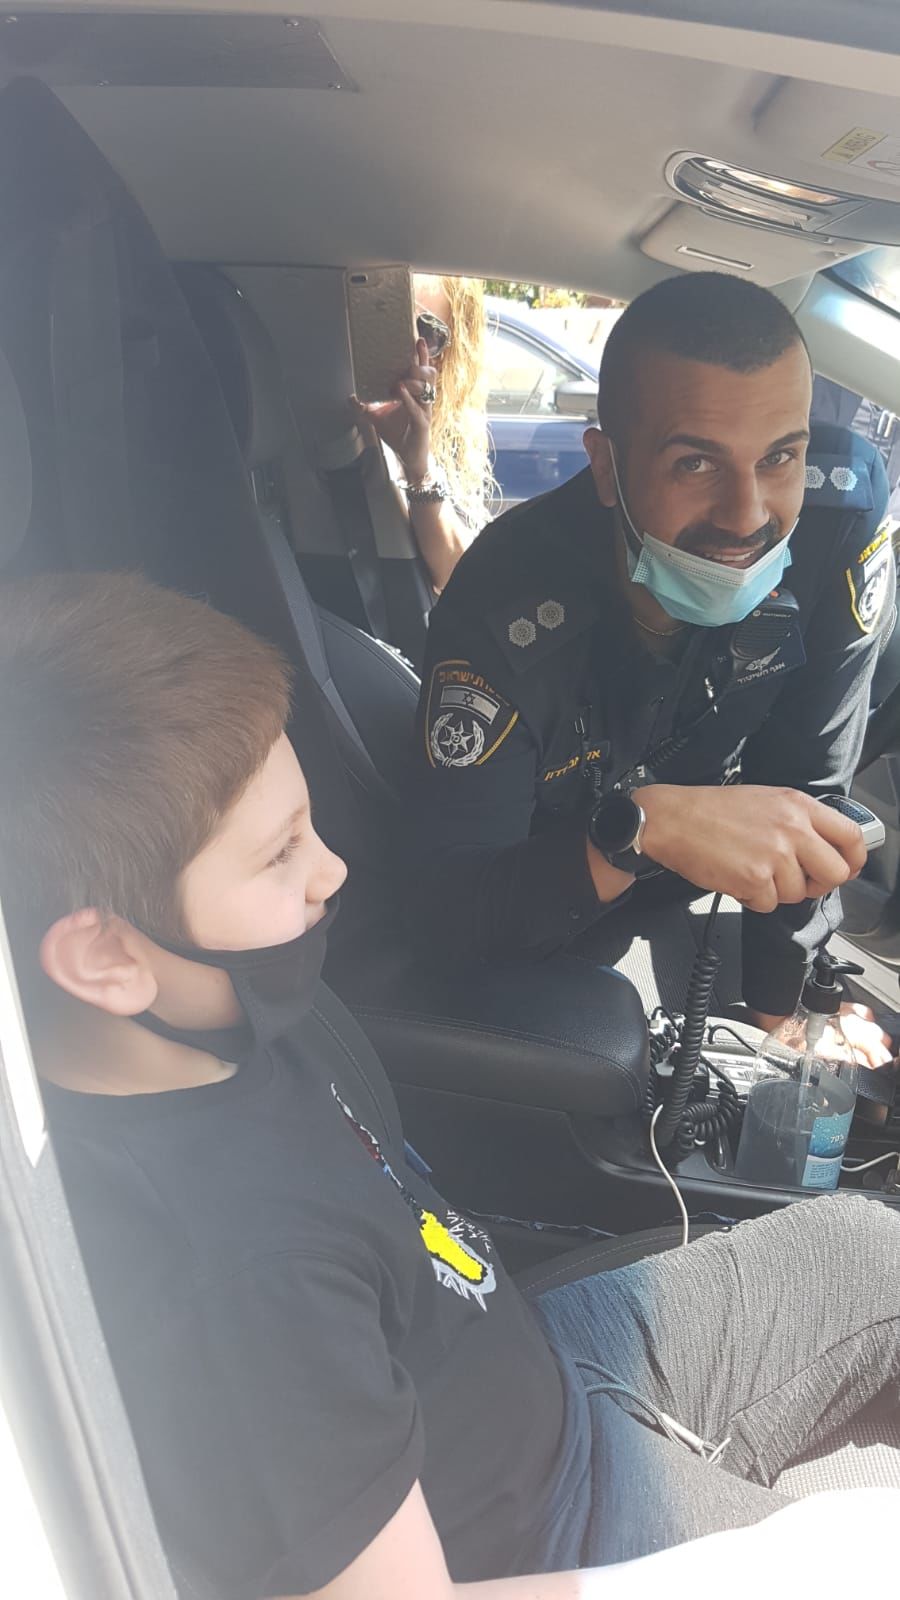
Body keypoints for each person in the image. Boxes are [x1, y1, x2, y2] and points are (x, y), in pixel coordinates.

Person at [2, 569, 900, 1598]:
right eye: (280, 854)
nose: (331, 870)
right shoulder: (229, 1287)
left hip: (537, 1361)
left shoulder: (219, 1022)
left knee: (873, 1249)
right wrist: (782, 1564)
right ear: (108, 958)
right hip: (557, 1531)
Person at [406, 271, 898, 1068]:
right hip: (556, 892)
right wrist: (646, 829)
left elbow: (809, 781)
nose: (748, 516)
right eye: (695, 464)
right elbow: (453, 915)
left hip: (695, 888)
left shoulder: (838, 518)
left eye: (779, 456)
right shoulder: (507, 605)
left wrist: (781, 1025)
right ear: (607, 466)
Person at [352, 274, 495, 593]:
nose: (407, 349)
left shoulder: (449, 433)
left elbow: (460, 575)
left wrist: (418, 468)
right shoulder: (315, 418)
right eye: (383, 315)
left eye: (428, 333)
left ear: (448, 349)